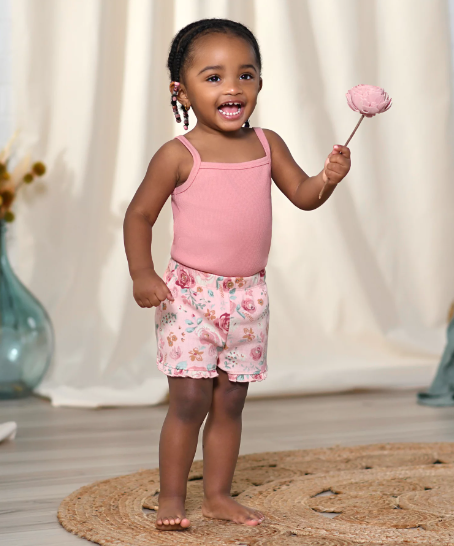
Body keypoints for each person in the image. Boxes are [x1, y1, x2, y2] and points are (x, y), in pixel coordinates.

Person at [123, 18, 351, 532]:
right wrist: (141, 272)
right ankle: (172, 497)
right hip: (189, 296)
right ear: (181, 91)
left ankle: (218, 495)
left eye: (245, 75)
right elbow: (139, 215)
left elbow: (304, 196)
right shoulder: (178, 155)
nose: (232, 87)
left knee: (230, 399)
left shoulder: (267, 144)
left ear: (260, 83)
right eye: (213, 77)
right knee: (189, 400)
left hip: (249, 296)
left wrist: (328, 178)